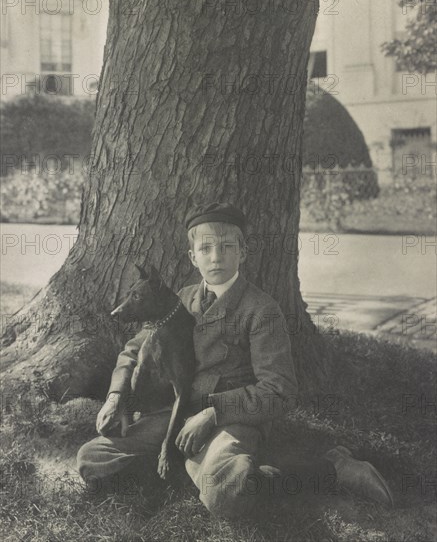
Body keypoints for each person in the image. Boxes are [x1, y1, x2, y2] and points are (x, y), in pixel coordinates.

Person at [77, 202, 393, 518]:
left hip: (229, 419)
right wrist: (116, 397)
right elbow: (133, 351)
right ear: (193, 257)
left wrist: (216, 412)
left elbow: (279, 391)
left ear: (243, 252)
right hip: (172, 415)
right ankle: (196, 466)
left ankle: (333, 468)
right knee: (93, 459)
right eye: (206, 248)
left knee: (226, 492)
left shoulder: (261, 310)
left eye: (227, 246)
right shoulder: (179, 300)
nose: (216, 256)